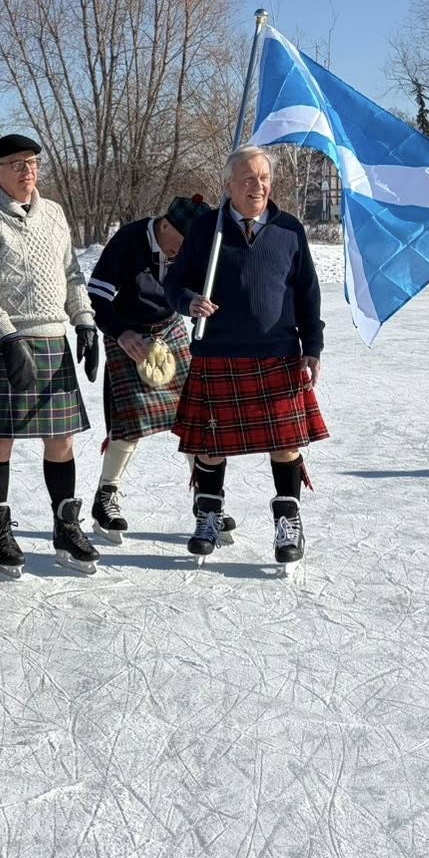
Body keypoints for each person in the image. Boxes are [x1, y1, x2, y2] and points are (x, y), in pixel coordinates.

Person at [167, 146, 327, 566]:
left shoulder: (289, 228)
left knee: (286, 443)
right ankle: (208, 514)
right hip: (218, 351)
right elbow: (174, 283)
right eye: (248, 179)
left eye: (264, 179)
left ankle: (288, 522)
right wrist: (189, 302)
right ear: (228, 186)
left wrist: (312, 345)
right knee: (210, 445)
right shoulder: (206, 229)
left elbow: (308, 291)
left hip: (278, 353)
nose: (258, 187)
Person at [0, 133, 100, 576]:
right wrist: (6, 336)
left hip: (51, 339)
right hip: (5, 343)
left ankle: (65, 528)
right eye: (17, 164)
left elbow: (73, 275)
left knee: (61, 441)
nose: (28, 171)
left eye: (33, 162)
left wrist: (84, 322)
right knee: (0, 441)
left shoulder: (54, 214)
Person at [84, 195, 207, 545]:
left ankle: (205, 499)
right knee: (131, 418)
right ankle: (105, 497)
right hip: (127, 331)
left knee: (194, 415)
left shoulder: (191, 249)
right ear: (166, 224)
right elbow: (96, 297)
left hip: (169, 327)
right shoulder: (129, 241)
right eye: (180, 244)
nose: (182, 253)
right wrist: (121, 334)